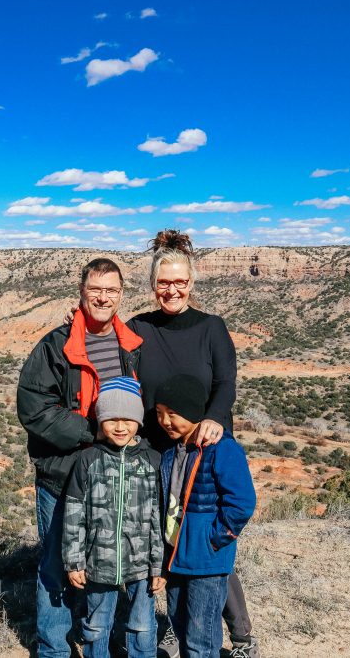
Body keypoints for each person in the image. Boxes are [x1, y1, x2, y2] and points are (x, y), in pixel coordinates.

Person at [127, 230, 260, 658]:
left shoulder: (211, 328)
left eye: (179, 282)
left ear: (192, 283)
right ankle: (172, 624)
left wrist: (215, 420)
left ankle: (239, 636)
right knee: (167, 539)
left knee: (204, 545)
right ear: (152, 284)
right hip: (155, 447)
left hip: (205, 444)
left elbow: (226, 382)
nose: (172, 289)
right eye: (164, 282)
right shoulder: (138, 328)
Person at [17, 257, 144, 658]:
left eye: (111, 291)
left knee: (100, 568)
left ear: (121, 295)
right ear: (82, 293)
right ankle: (53, 649)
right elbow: (34, 409)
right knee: (55, 566)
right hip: (63, 476)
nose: (103, 298)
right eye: (95, 291)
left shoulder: (133, 346)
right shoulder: (56, 345)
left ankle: (94, 645)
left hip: (111, 479)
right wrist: (94, 431)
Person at [155, 373, 257, 658]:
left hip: (207, 563)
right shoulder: (169, 453)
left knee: (202, 637)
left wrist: (214, 539)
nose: (165, 421)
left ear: (192, 411)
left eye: (172, 414)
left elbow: (242, 502)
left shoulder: (221, 449)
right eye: (160, 413)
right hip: (176, 559)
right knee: (180, 624)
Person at [62, 376, 164, 658]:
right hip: (98, 563)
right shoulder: (88, 460)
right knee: (95, 626)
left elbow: (158, 518)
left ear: (139, 420)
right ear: (100, 420)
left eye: (128, 419)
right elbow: (74, 515)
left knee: (143, 627)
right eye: (111, 419)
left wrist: (160, 566)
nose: (120, 427)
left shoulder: (152, 461)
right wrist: (74, 562)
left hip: (142, 565)